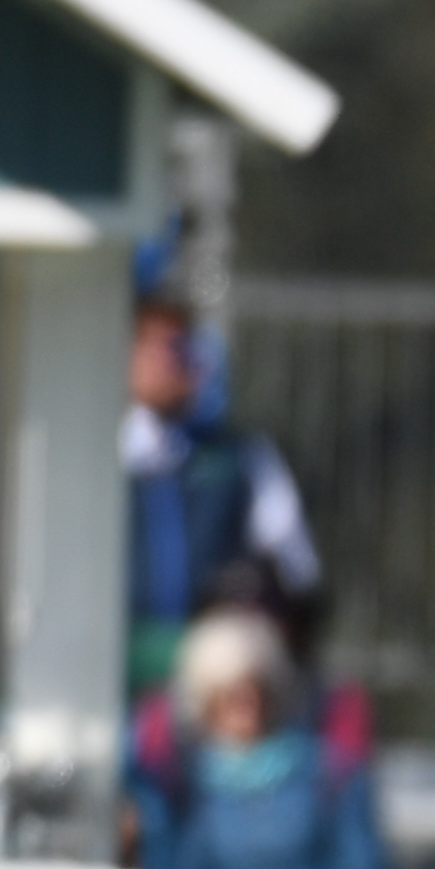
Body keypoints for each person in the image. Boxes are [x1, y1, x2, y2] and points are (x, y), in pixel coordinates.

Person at [138, 606, 388, 869]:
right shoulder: (187, 785)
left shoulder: (325, 772)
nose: (246, 702)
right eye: (229, 692)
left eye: (255, 686)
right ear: (206, 699)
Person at [124, 288, 322, 679]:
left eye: (184, 348)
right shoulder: (90, 458)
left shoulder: (239, 457)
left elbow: (296, 568)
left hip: (212, 674)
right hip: (112, 662)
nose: (182, 364)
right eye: (164, 349)